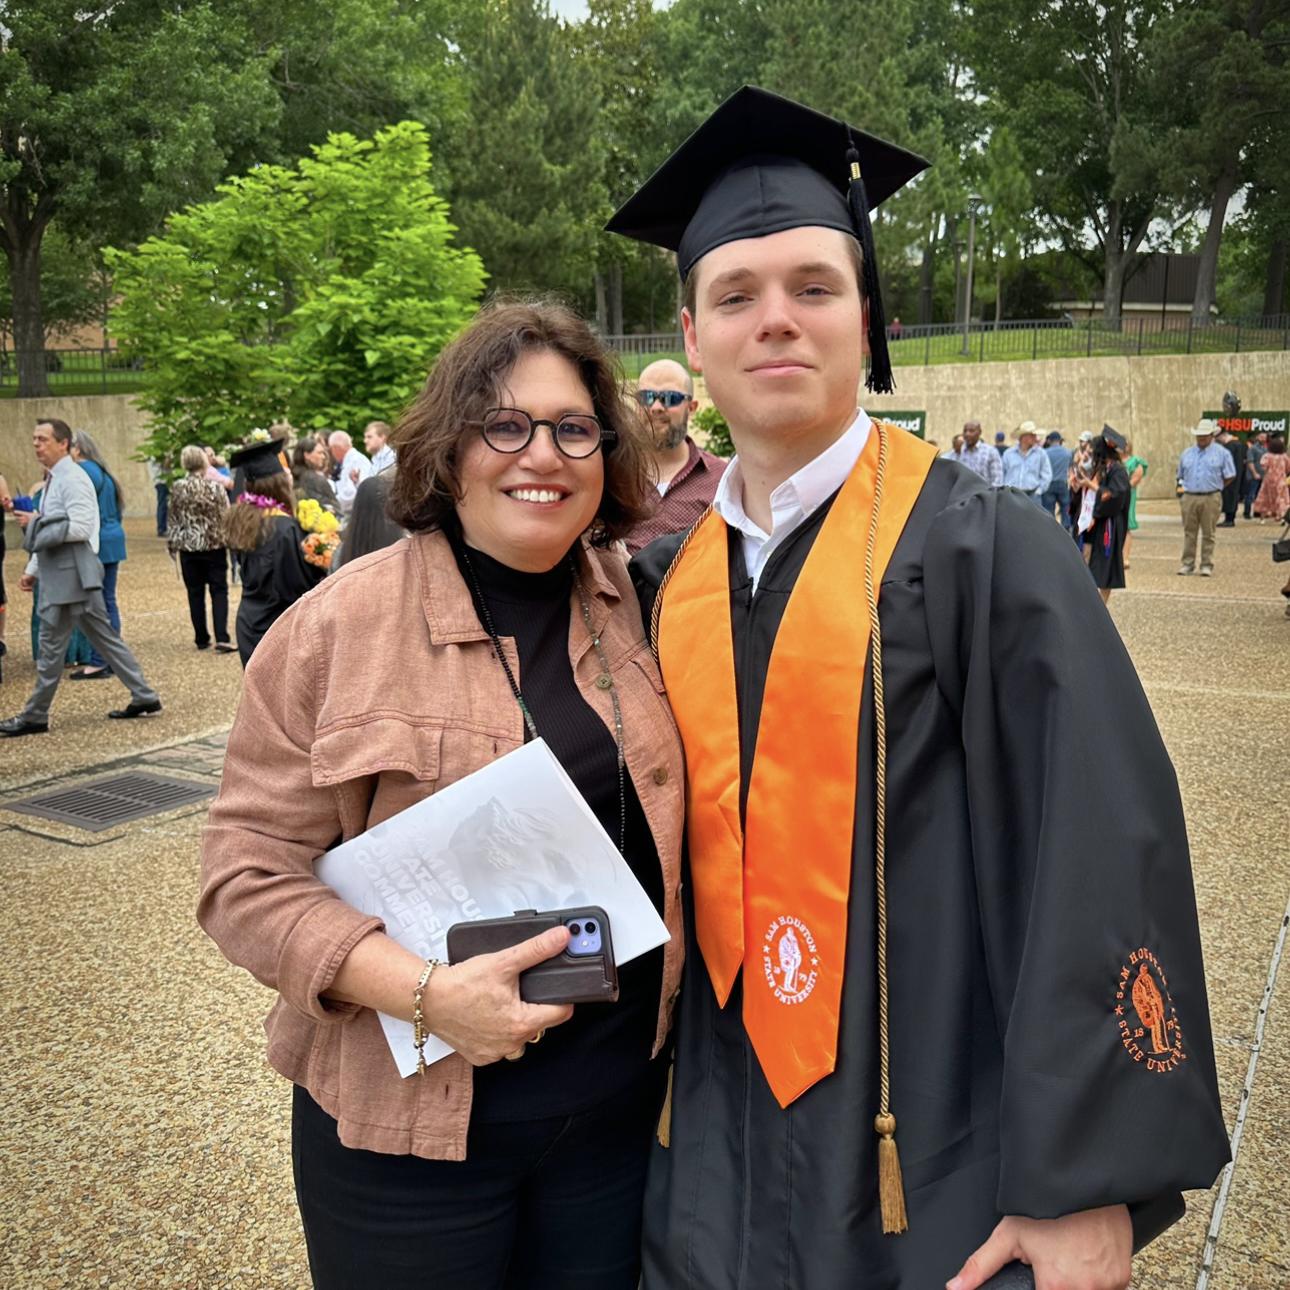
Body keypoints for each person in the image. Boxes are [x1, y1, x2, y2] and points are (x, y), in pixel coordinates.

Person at [608, 85, 1228, 1289]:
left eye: (813, 287)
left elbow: (1098, 853)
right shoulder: (666, 579)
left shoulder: (984, 548)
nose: (774, 320)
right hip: (711, 1155)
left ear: (864, 314)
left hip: (930, 1152)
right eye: (736, 295)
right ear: (692, 337)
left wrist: (1083, 1180)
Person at [198, 299, 684, 1290]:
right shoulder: (336, 630)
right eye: (503, 425)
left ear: (606, 452)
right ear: (448, 447)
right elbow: (243, 880)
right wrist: (426, 996)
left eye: (573, 427)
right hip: (408, 1150)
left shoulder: (647, 608)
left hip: (618, 1125)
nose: (540, 454)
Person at [0, 418, 161, 737]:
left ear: (64, 444)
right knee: (103, 639)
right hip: (67, 573)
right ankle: (144, 695)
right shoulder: (56, 479)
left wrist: (36, 522)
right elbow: (59, 529)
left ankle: (35, 715)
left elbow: (84, 527)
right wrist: (32, 570)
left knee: (52, 646)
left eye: (43, 439)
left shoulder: (72, 478)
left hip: (71, 574)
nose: (36, 444)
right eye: (34, 438)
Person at [222, 440, 323, 665]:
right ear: (277, 483)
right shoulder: (283, 529)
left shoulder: (242, 519)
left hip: (250, 622)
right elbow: (296, 586)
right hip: (278, 628)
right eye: (284, 473)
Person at [625, 358, 725, 555]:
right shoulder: (613, 474)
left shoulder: (721, 482)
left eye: (670, 398)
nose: (656, 407)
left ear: (692, 407)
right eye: (647, 397)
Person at [67, 430, 127, 681]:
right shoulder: (103, 472)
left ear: (78, 448)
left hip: (99, 541)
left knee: (97, 604)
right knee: (107, 600)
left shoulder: (84, 472)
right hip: (112, 537)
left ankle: (100, 660)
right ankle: (110, 658)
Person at [166, 444, 235, 653]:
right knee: (219, 590)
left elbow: (173, 519)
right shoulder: (215, 487)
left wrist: (173, 544)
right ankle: (221, 636)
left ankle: (201, 637)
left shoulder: (178, 487)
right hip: (214, 545)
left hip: (189, 547)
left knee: (195, 592)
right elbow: (226, 515)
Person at [1176, 419, 1235, 575]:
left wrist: (1218, 486)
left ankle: (1206, 564)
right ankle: (1187, 563)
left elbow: (1230, 475)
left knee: (1209, 533)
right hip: (1189, 496)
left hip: (1211, 496)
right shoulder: (1187, 453)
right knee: (1189, 532)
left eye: (1204, 435)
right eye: (1199, 435)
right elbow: (1180, 474)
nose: (1201, 438)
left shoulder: (1222, 453)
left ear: (1211, 435)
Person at [1083, 426, 1131, 604]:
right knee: (1096, 564)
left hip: (1110, 524)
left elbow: (1115, 496)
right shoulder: (1105, 470)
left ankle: (1101, 605)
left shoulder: (1118, 471)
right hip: (1102, 522)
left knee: (1106, 566)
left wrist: (1095, 490)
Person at [1001, 420, 1052, 503]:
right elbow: (1002, 474)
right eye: (1032, 435)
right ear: (1023, 437)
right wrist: (1004, 491)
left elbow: (1047, 475)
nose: (1035, 438)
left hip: (1032, 495)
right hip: (1011, 495)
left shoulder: (1041, 454)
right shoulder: (1008, 454)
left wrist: (1038, 491)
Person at [328, 430, 372, 516]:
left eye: (331, 450)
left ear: (335, 448)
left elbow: (352, 493)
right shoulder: (351, 461)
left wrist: (333, 506)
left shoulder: (356, 461)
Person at [291, 435, 340, 513]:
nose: (323, 457)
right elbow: (336, 509)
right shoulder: (316, 479)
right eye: (319, 453)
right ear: (307, 455)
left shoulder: (291, 477)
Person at [950, 419, 1002, 486]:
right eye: (965, 431)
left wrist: (990, 495)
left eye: (971, 431)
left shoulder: (991, 452)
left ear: (979, 432)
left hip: (984, 494)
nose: (967, 434)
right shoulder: (957, 453)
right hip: (963, 494)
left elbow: (997, 480)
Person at [1123, 439, 1147, 568]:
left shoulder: (1135, 462)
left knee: (1126, 528)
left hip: (1127, 496)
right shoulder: (1113, 461)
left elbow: (1135, 480)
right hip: (1115, 496)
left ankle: (1125, 557)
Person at [1253, 432, 1289, 519]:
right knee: (1281, 498)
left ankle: (1263, 515)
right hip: (1280, 479)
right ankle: (1280, 515)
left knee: (1265, 497)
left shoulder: (1267, 456)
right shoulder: (1284, 457)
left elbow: (1263, 465)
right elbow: (1288, 467)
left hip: (1269, 479)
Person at [1042, 431, 1072, 530]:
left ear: (1049, 440)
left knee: (1049, 511)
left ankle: (1051, 531)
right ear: (1060, 441)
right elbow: (1070, 468)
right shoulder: (1068, 453)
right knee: (1065, 509)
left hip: (1049, 484)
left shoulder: (1045, 453)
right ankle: (1066, 531)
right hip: (1063, 483)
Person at [1217, 427, 1246, 527]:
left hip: (1229, 476)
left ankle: (1229, 519)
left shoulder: (1230, 446)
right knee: (1233, 496)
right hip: (1238, 475)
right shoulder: (1240, 444)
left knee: (1229, 496)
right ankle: (1230, 518)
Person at [1244, 431, 1267, 519]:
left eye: (1265, 437)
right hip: (1253, 476)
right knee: (1250, 495)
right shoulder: (1252, 449)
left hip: (1262, 476)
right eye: (1262, 437)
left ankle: (1257, 512)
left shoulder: (1265, 449)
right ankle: (1247, 512)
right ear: (1257, 437)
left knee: (1259, 495)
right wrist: (1254, 473)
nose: (1263, 439)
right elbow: (1250, 462)